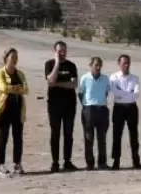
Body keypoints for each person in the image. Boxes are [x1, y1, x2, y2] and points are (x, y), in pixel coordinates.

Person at [0, 48, 28, 178]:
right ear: (6, 58)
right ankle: (0, 165)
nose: (14, 59)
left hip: (18, 108)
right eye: (12, 56)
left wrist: (13, 89)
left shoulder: (20, 74)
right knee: (3, 136)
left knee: (18, 137)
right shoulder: (0, 72)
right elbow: (2, 87)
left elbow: (26, 89)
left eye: (16, 57)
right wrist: (16, 88)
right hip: (5, 108)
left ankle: (17, 164)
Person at [44, 41, 79, 173]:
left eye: (64, 51)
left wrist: (58, 84)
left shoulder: (71, 66)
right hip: (54, 105)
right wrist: (57, 63)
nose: (62, 53)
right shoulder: (49, 64)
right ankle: (55, 162)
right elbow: (50, 80)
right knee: (55, 133)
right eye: (60, 51)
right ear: (55, 51)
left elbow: (74, 84)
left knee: (68, 133)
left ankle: (67, 161)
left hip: (69, 104)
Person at [108, 54, 141, 170]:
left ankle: (136, 160)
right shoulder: (114, 77)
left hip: (132, 108)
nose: (126, 65)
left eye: (128, 63)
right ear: (119, 64)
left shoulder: (135, 78)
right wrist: (128, 93)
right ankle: (116, 160)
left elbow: (136, 94)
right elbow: (114, 92)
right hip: (119, 108)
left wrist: (123, 93)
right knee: (117, 135)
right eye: (124, 63)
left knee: (134, 135)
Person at [77, 56, 111, 170]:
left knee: (102, 137)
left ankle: (102, 162)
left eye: (100, 65)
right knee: (88, 137)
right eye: (96, 65)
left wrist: (99, 102)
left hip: (101, 109)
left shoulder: (105, 78)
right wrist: (86, 105)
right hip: (89, 109)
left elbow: (106, 92)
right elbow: (81, 93)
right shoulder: (85, 78)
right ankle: (90, 163)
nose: (98, 67)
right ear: (91, 66)